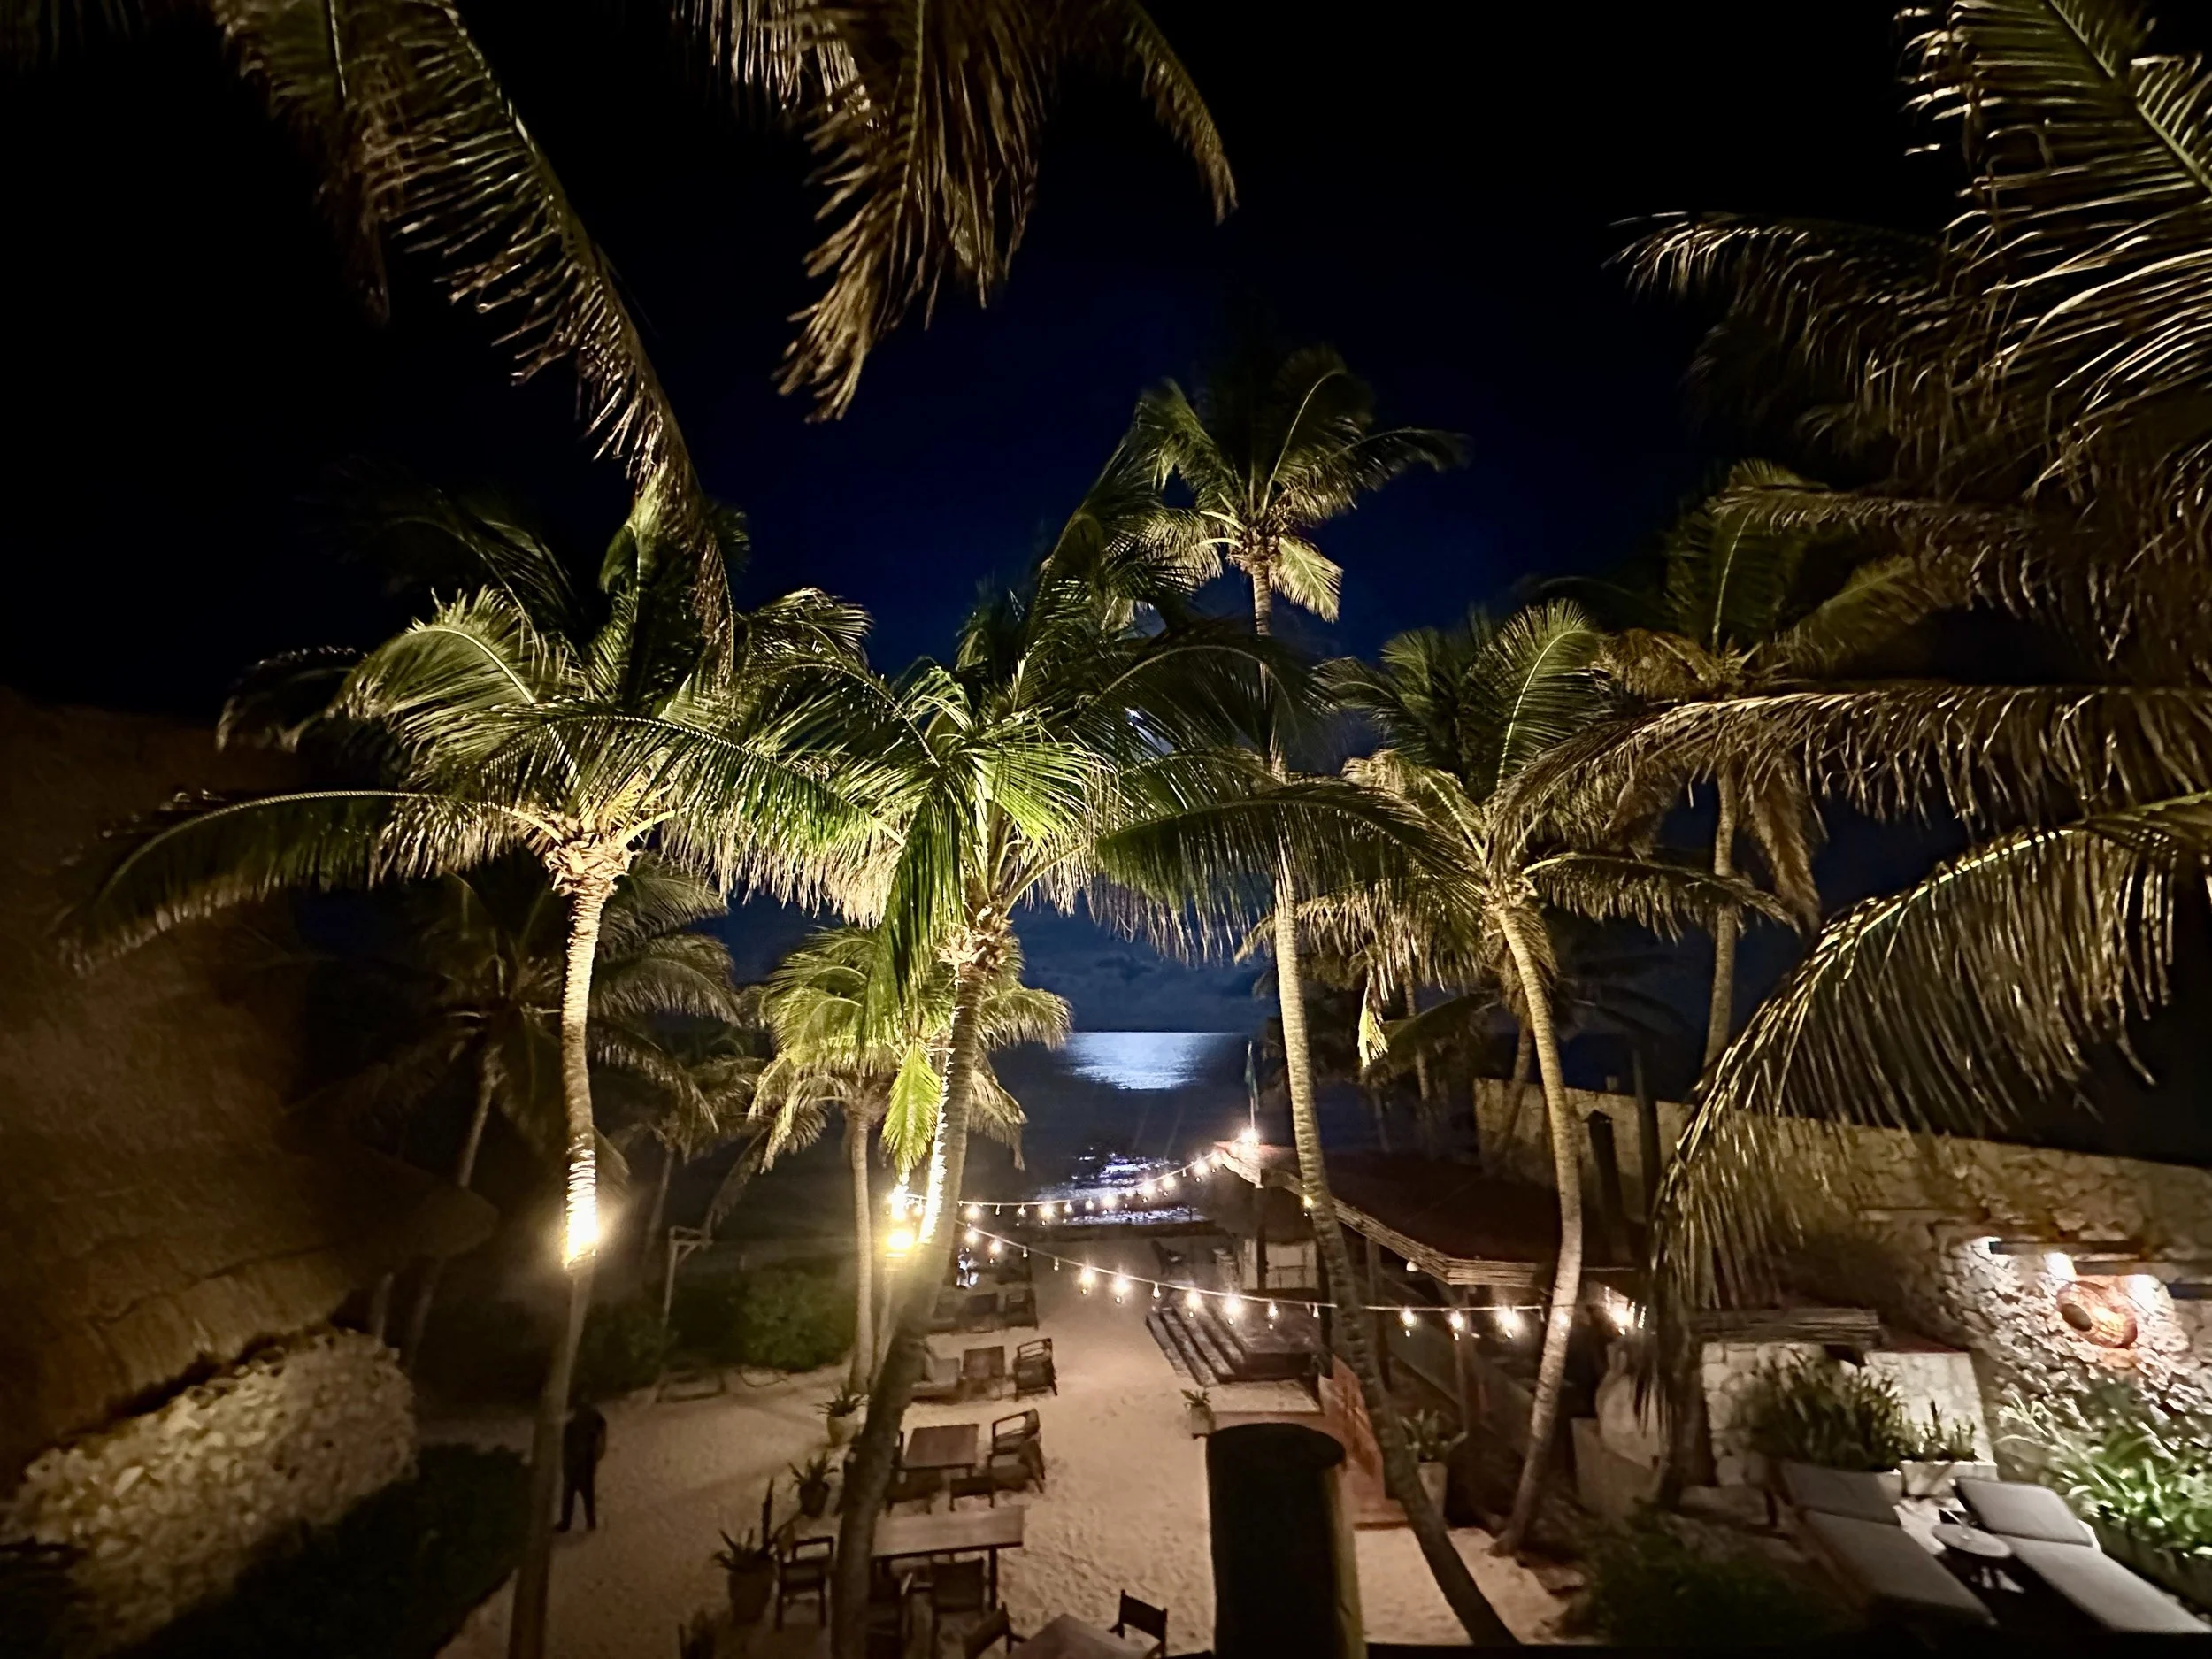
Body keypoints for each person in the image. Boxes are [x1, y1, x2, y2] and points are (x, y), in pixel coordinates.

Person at [559, 1400, 608, 1532]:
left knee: (573, 1494)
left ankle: (567, 1523)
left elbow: (566, 1448)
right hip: (584, 1463)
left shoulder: (571, 1426)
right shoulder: (590, 1421)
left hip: (581, 1463)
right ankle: (588, 1522)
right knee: (584, 1494)